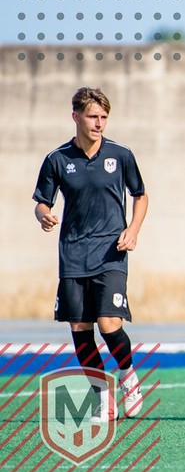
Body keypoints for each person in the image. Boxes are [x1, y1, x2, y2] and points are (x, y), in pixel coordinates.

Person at [33, 87, 148, 421]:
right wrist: (44, 216)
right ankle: (104, 398)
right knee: (81, 329)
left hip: (111, 251)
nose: (99, 123)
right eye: (93, 116)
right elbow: (42, 201)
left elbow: (140, 195)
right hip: (72, 254)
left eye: (104, 117)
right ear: (76, 117)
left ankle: (129, 378)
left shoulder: (121, 154)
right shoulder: (58, 159)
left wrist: (133, 229)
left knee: (109, 323)